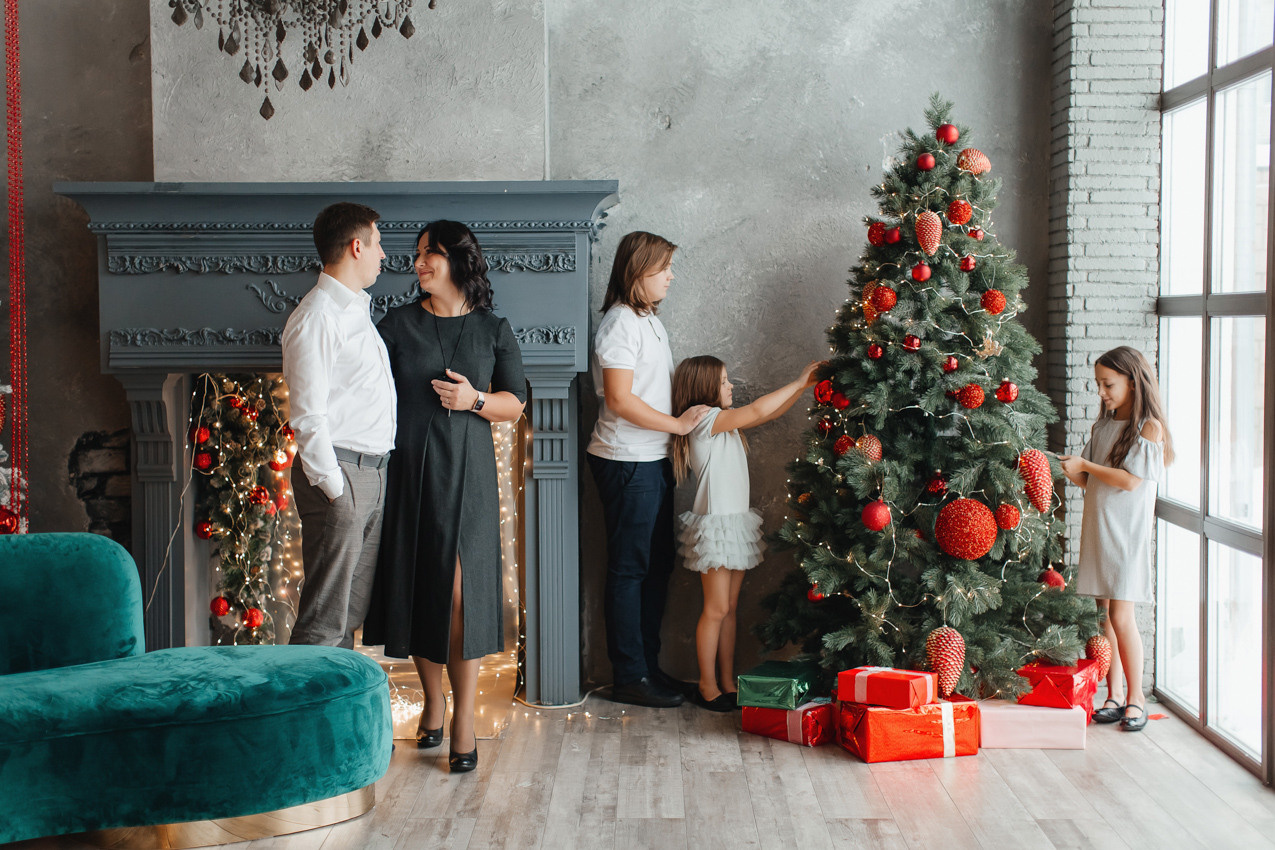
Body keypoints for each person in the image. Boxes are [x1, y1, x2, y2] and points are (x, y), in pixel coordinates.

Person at [362, 220, 526, 774]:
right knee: (423, 589)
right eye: (415, 255)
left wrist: (473, 398)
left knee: (460, 597)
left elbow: (515, 403)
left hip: (471, 477)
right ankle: (432, 702)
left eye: (429, 254)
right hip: (409, 474)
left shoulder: (492, 328)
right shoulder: (395, 325)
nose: (417, 263)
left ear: (457, 259)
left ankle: (462, 717)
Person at [587, 231, 709, 708]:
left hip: (651, 460)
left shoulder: (649, 321)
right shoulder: (620, 323)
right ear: (638, 273)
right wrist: (677, 424)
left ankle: (648, 668)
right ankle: (629, 676)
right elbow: (619, 400)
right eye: (663, 269)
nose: (671, 277)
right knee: (631, 570)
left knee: (656, 568)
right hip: (626, 463)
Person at [671, 355, 821, 711]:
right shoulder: (704, 420)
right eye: (724, 381)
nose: (731, 386)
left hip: (733, 525)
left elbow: (767, 413)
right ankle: (707, 685)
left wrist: (802, 390)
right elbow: (755, 411)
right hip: (716, 529)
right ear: (705, 388)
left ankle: (726, 680)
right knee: (716, 608)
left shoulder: (726, 426)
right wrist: (799, 381)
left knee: (730, 608)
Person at [282, 202, 395, 651]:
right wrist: (336, 490)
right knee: (324, 620)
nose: (383, 254)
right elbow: (308, 416)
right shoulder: (317, 317)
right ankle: (299, 719)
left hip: (370, 473)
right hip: (342, 475)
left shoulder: (354, 312)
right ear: (356, 246)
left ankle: (334, 716)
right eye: (378, 243)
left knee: (348, 614)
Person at [1060, 346, 1173, 733]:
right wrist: (1066, 468)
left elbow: (1129, 480)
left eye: (1108, 384)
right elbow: (1089, 482)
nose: (1102, 393)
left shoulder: (1148, 428)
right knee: (1105, 614)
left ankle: (1136, 698)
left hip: (1125, 535)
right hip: (1099, 529)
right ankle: (1113, 694)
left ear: (1132, 380)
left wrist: (1086, 465)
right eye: (1099, 385)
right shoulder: (1103, 426)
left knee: (1122, 616)